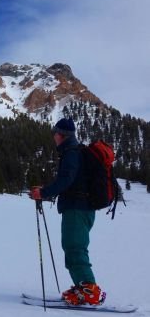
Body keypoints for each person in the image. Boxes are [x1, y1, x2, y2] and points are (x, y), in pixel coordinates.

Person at [29, 118, 105, 306]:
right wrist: (46, 190)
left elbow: (66, 180)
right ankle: (82, 287)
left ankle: (90, 290)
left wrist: (44, 193)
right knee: (72, 247)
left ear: (61, 135)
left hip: (78, 208)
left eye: (55, 133)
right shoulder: (72, 152)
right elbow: (70, 181)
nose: (53, 136)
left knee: (75, 247)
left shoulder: (71, 153)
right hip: (79, 207)